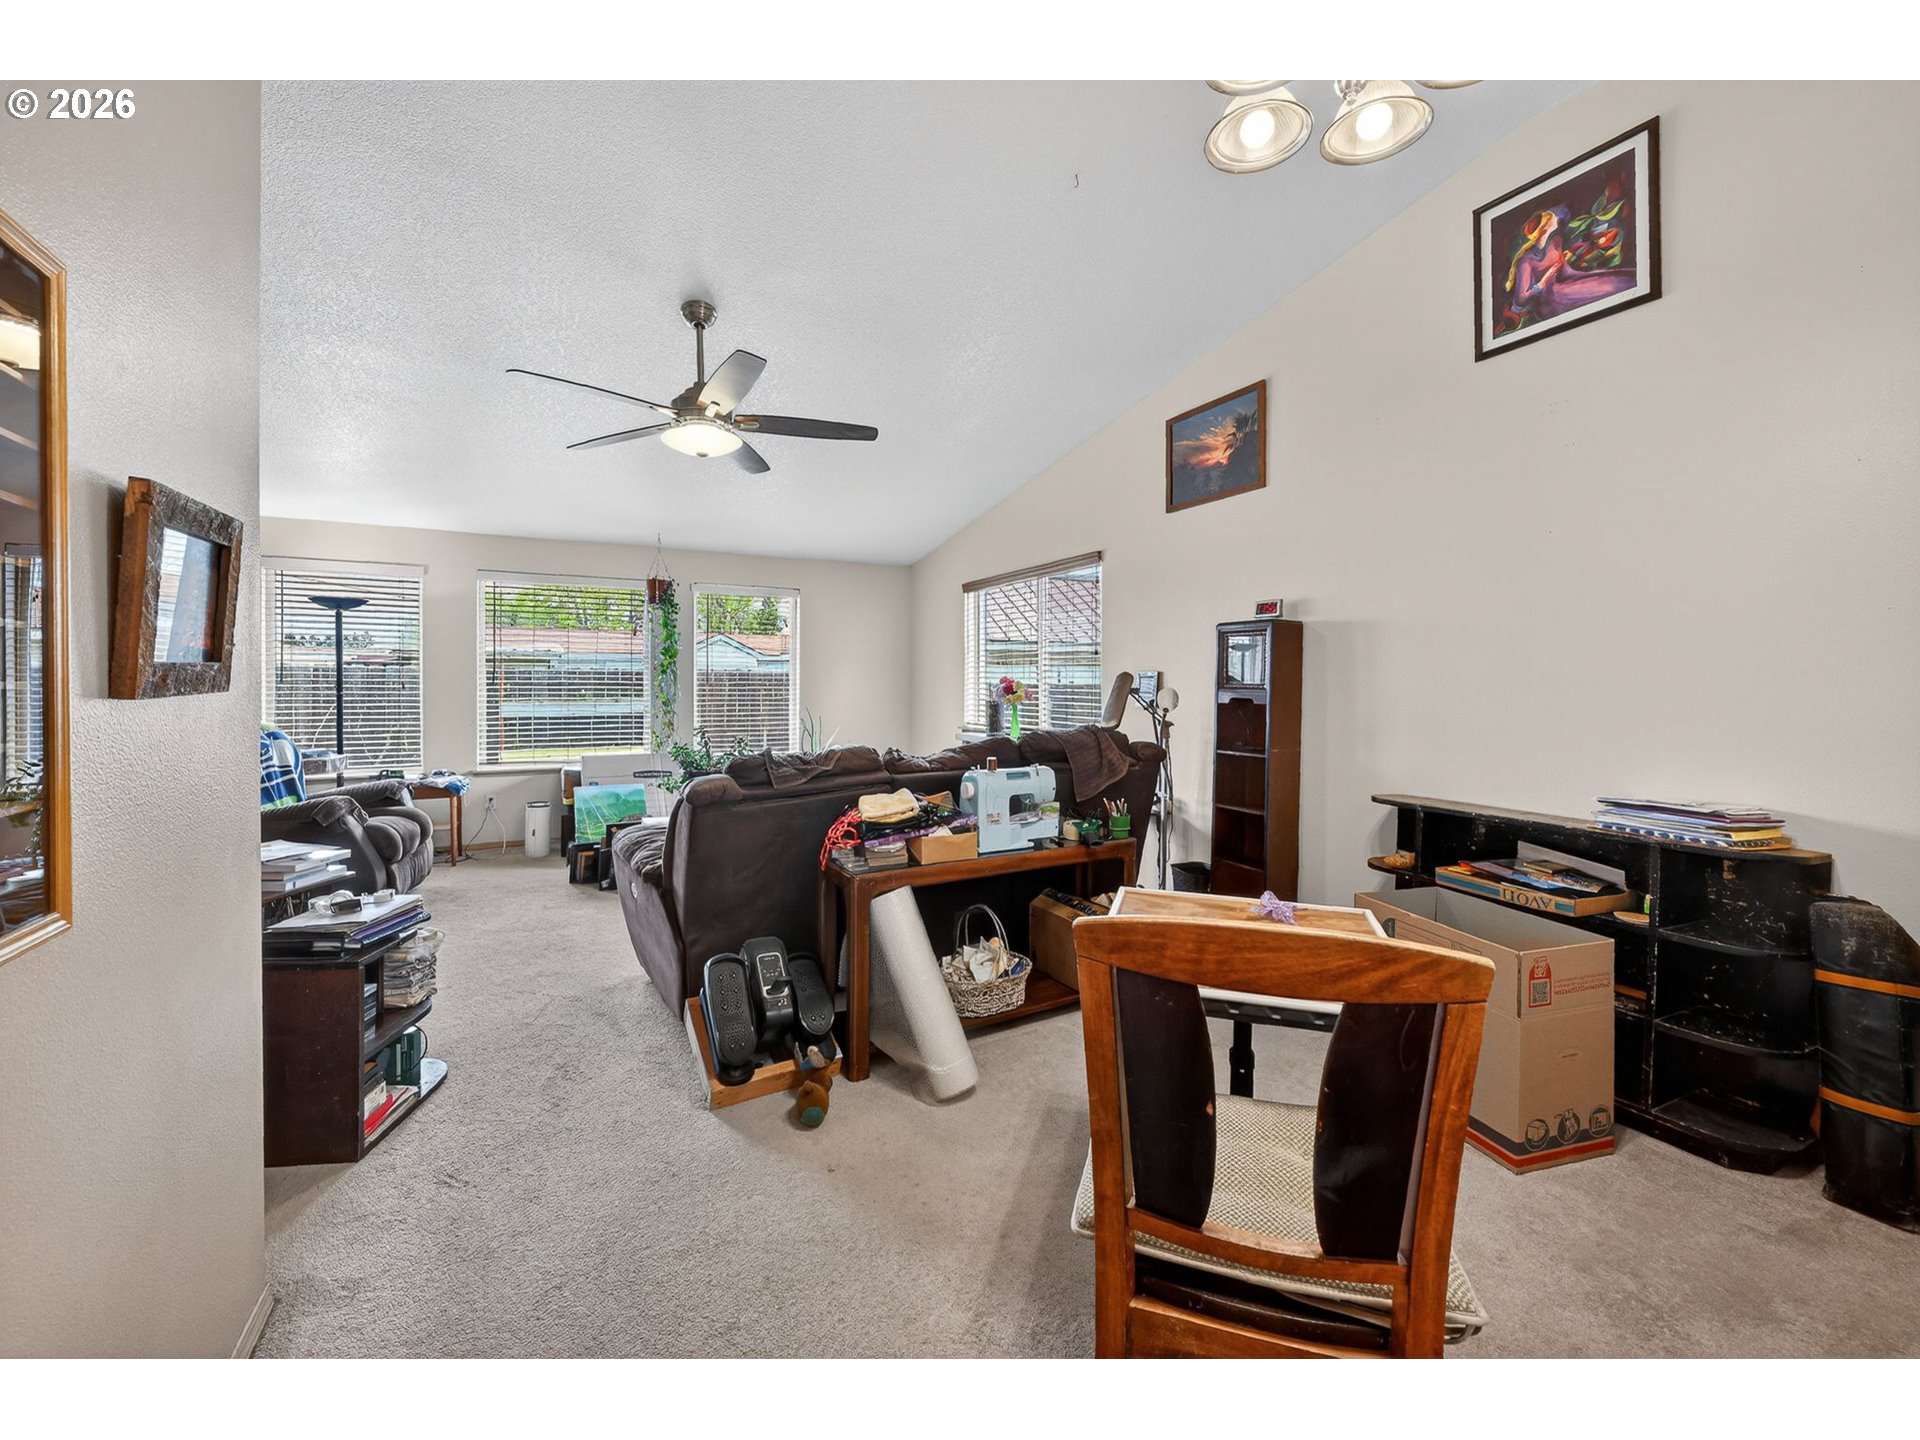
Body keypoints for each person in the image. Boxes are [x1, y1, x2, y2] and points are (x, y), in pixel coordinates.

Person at [1502, 205, 1635, 328]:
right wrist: (1545, 278)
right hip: (1550, 299)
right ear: (1544, 229)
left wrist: (1592, 244)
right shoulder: (1527, 261)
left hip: (1568, 278)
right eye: (1551, 219)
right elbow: (1520, 300)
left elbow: (1565, 213)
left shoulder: (1555, 241)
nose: (1555, 218)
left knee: (1614, 280)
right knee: (1603, 290)